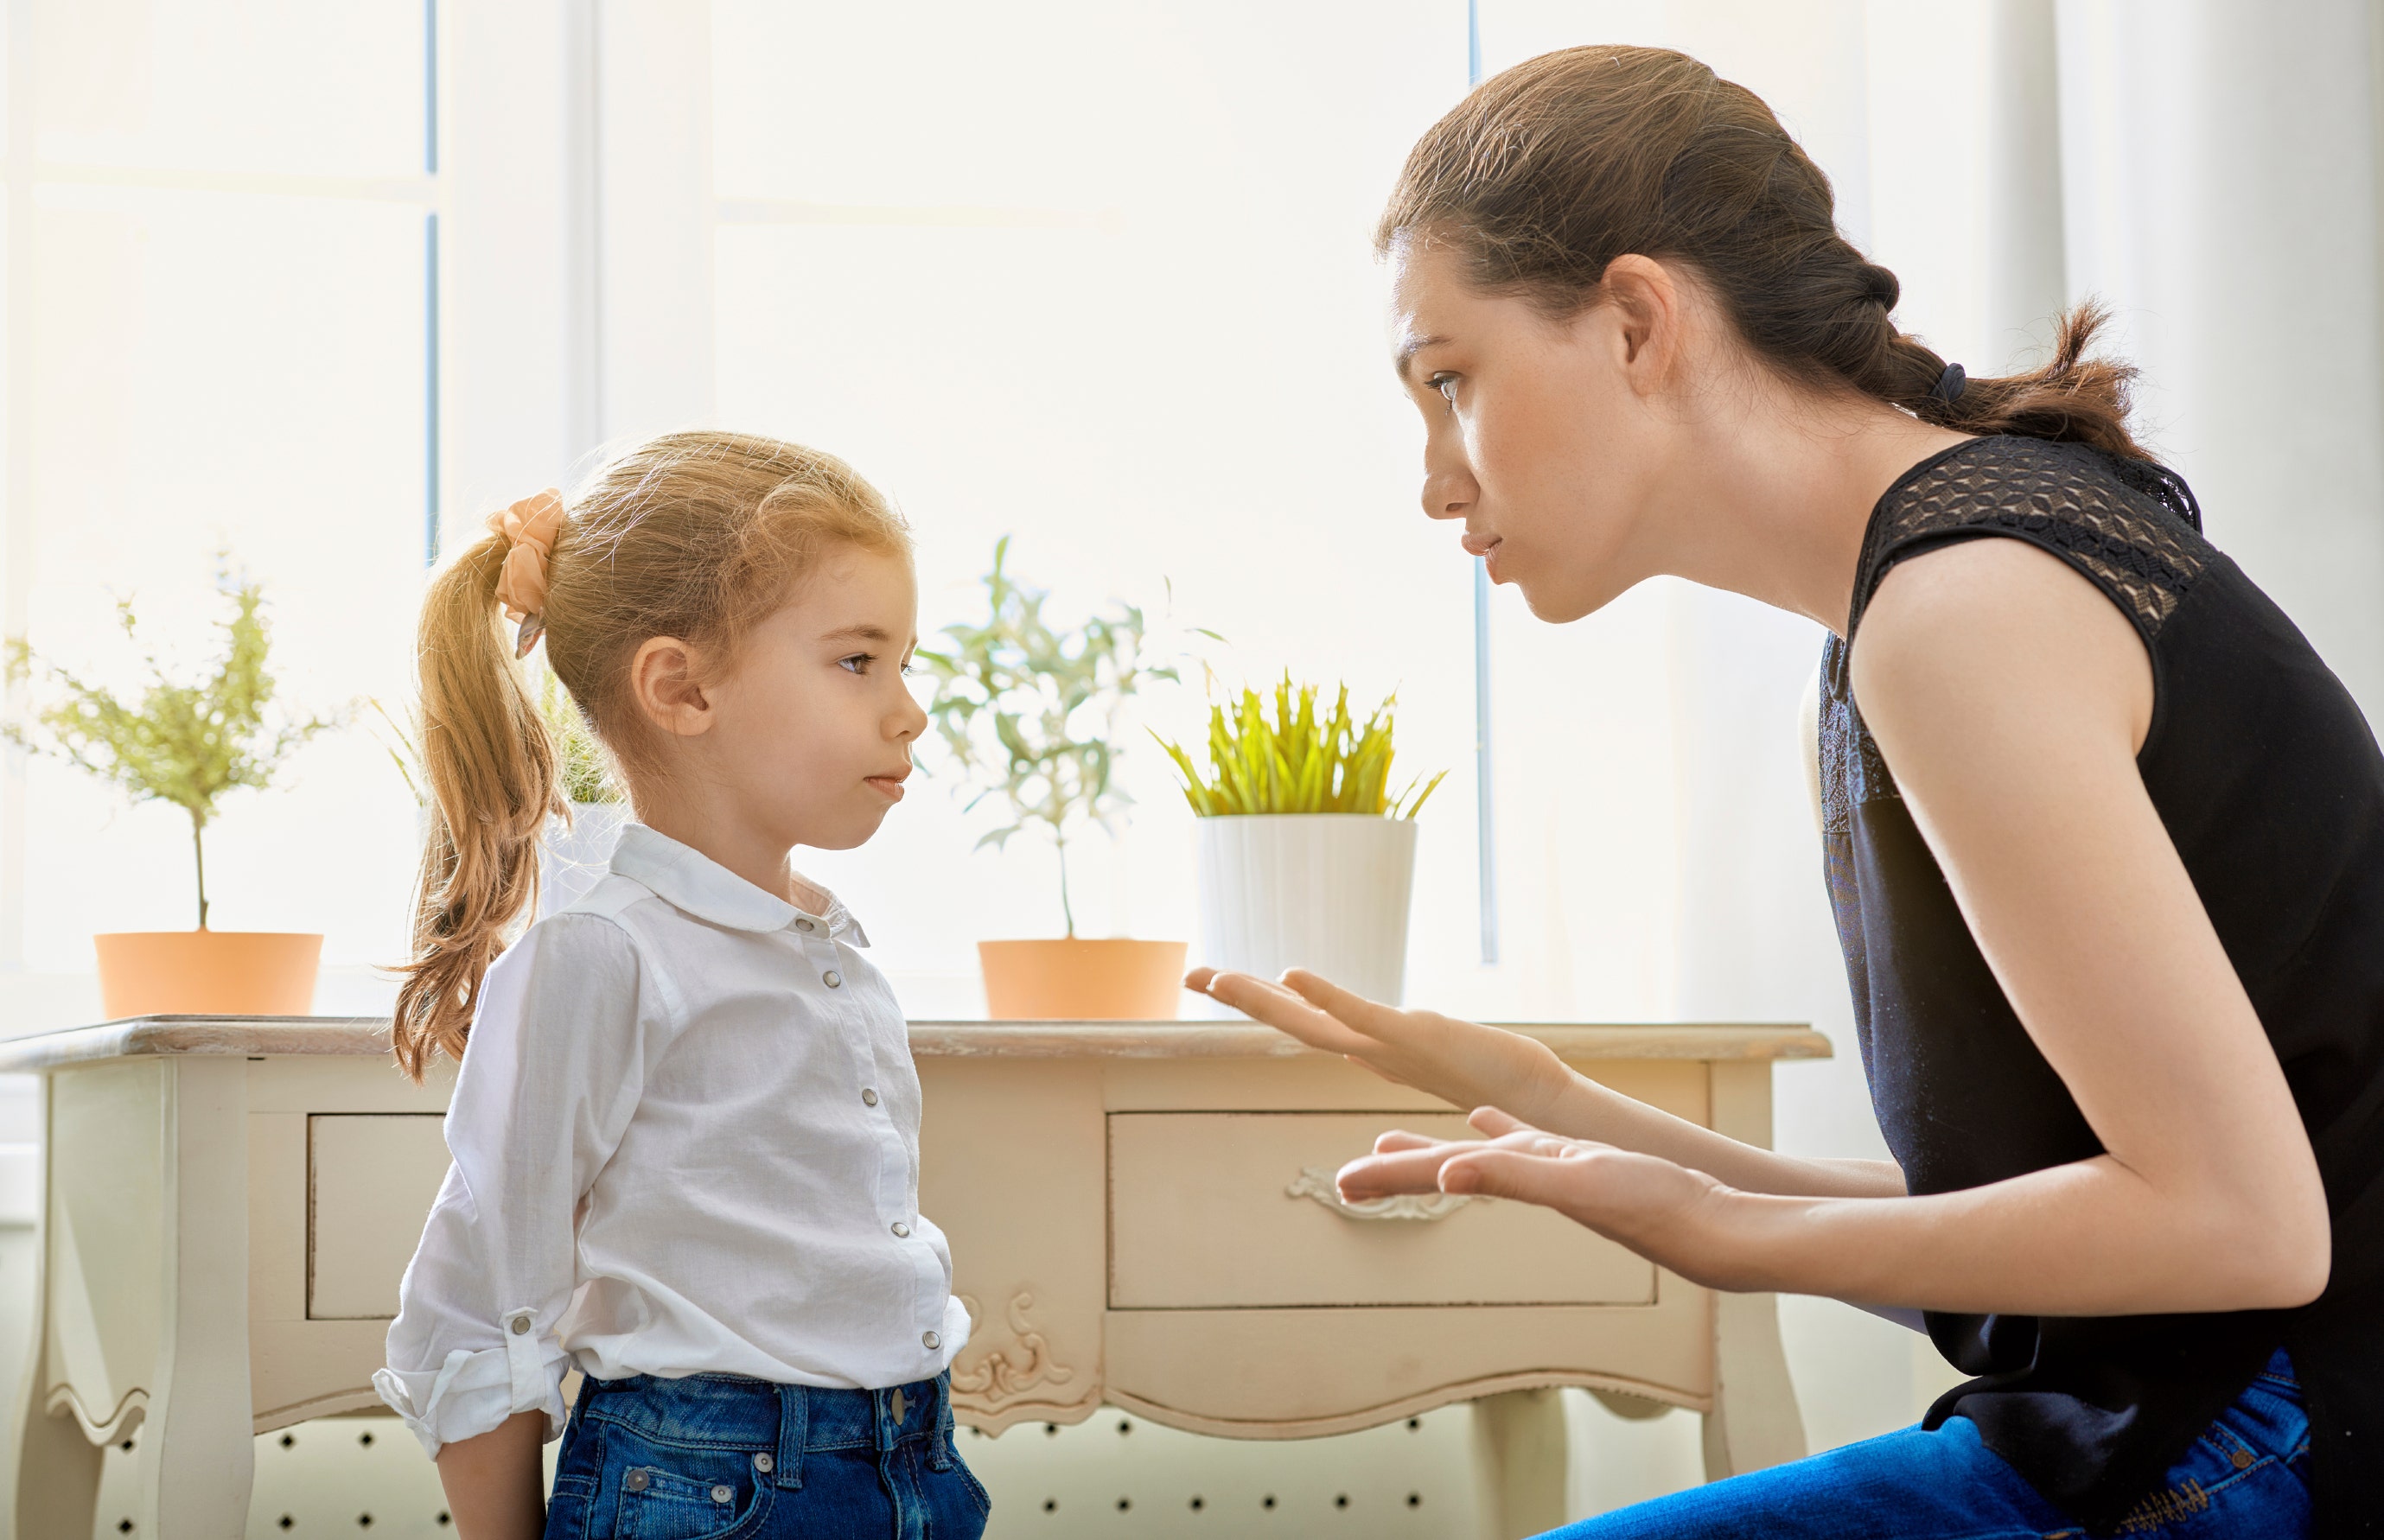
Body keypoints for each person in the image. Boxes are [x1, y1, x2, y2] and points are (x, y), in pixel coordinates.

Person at [1190, 45, 2381, 1540]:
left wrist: (1736, 1237)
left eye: (1450, 382)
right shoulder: (1925, 588)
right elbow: (2098, 1208)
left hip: (2267, 1431)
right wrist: (1560, 1107)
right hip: (2206, 1407)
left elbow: (2236, 1229)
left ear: (1635, 320)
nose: (1435, 478)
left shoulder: (1960, 609)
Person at [373, 432, 987, 1540]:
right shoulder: (600, 955)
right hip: (715, 1491)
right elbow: (477, 1304)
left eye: (905, 663)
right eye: (859, 661)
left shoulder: (830, 949)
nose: (909, 712)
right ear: (682, 687)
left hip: (909, 1469)